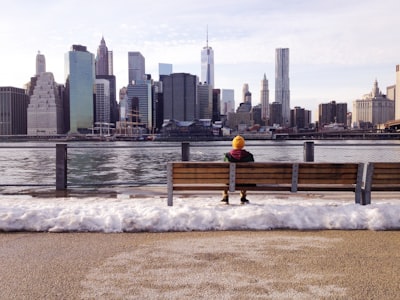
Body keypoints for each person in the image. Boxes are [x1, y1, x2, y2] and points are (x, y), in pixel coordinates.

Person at [221, 135, 254, 205]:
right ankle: (243, 197)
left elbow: (224, 170)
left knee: (225, 176)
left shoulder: (227, 156)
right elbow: (252, 170)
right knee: (246, 177)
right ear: (243, 145)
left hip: (229, 182)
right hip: (245, 182)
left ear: (233, 144)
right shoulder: (249, 156)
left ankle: (225, 196)